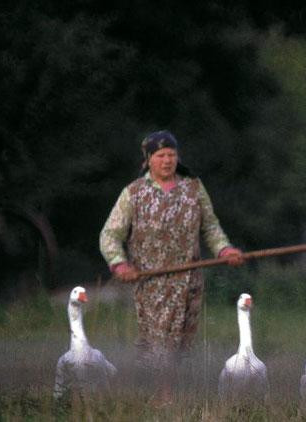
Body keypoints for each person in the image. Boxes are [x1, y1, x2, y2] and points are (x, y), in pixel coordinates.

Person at [99, 130, 244, 405]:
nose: (167, 161)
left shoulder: (193, 188)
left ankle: (168, 397)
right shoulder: (133, 193)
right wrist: (119, 264)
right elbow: (109, 235)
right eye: (161, 155)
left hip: (188, 280)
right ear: (149, 159)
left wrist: (225, 250)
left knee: (181, 343)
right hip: (152, 282)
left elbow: (211, 227)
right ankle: (161, 398)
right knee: (158, 340)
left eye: (172, 155)